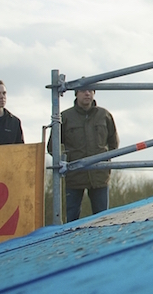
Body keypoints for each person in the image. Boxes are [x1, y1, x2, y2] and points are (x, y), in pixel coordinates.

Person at [54, 88, 119, 222]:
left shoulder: (104, 115)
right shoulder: (65, 117)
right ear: (76, 94)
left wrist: (106, 161)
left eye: (90, 90)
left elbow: (113, 142)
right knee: (71, 219)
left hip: (99, 175)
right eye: (83, 90)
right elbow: (53, 146)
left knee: (102, 219)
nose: (87, 93)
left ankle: (103, 242)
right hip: (74, 175)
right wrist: (64, 160)